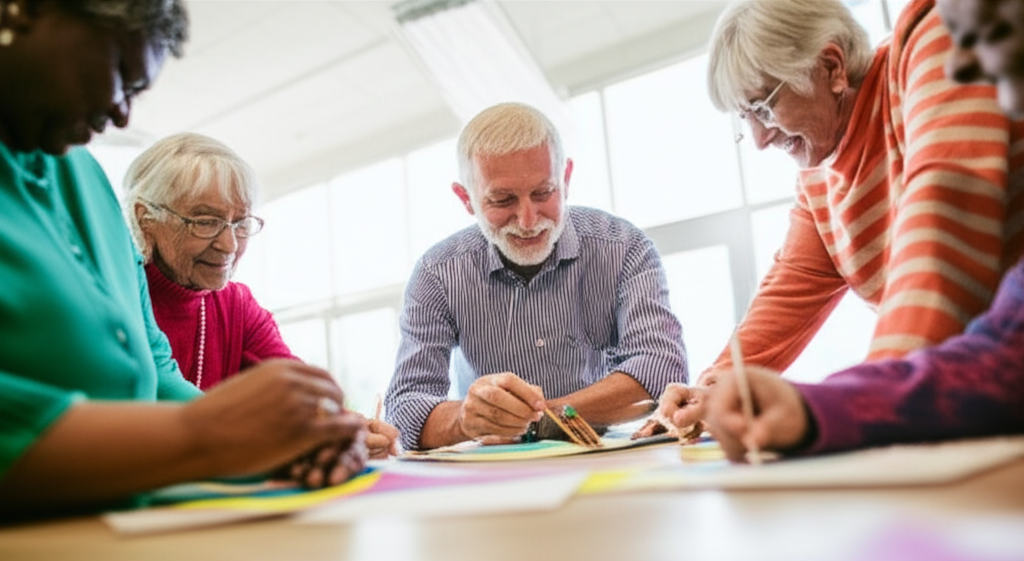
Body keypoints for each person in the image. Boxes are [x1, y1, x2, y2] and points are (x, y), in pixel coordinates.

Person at [0, 0, 367, 519]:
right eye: (120, 70)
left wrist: (291, 440)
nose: (121, 114)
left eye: (136, 91)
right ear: (24, 10)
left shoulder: (86, 178)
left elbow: (154, 370)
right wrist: (210, 434)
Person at [643, 0, 1024, 437]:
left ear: (832, 68)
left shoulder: (931, 37)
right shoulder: (818, 181)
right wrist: (712, 390)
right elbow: (784, 298)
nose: (759, 140)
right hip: (979, 392)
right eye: (745, 118)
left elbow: (943, 226)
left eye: (763, 107)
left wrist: (877, 401)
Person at [385, 102, 688, 450]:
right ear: (466, 198)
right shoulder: (437, 273)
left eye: (544, 193)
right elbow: (404, 408)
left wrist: (540, 419)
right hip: (493, 468)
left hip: (607, 458)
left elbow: (662, 370)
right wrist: (463, 421)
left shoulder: (625, 248)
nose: (528, 221)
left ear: (566, 179)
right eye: (502, 200)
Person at [123, 132, 400, 458]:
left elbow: (296, 391)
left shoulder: (237, 304)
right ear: (146, 218)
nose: (229, 245)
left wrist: (346, 428)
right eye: (206, 221)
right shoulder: (116, 294)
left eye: (240, 223)